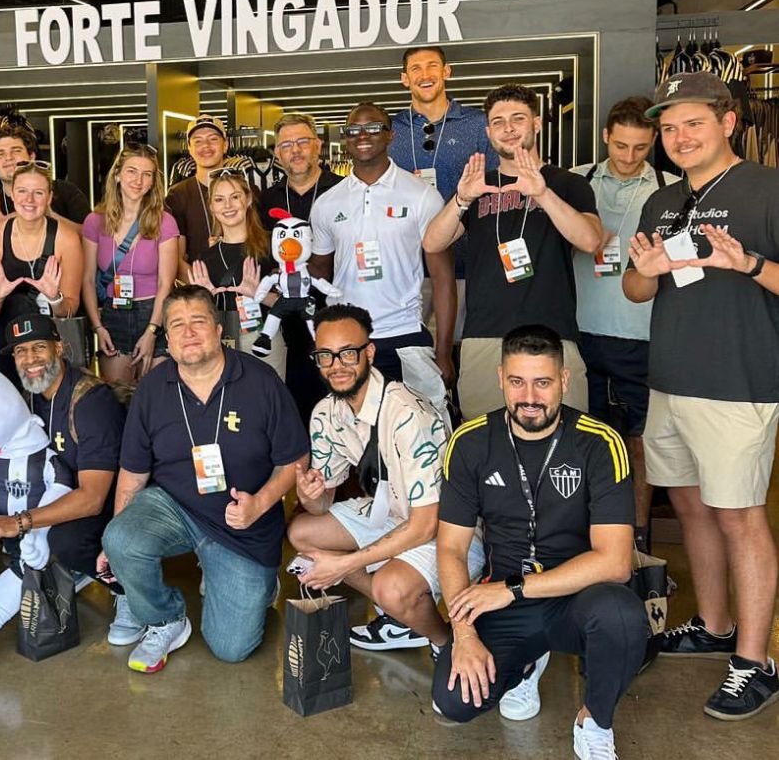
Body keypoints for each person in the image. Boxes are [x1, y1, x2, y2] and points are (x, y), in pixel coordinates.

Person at [624, 72, 779, 720]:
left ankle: (755, 660)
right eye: (669, 128)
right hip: (670, 382)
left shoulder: (767, 190)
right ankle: (713, 625)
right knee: (690, 509)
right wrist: (647, 271)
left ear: (728, 122)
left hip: (737, 387)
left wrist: (748, 265)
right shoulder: (662, 204)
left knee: (741, 516)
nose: (679, 137)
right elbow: (635, 290)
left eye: (693, 123)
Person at [433, 325, 646, 760]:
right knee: (454, 702)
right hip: (502, 603)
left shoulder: (600, 443)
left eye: (543, 382)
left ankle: (595, 721)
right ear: (500, 379)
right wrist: (463, 631)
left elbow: (615, 563)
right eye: (517, 381)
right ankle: (526, 664)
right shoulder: (470, 442)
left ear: (564, 382)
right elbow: (451, 548)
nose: (529, 396)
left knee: (622, 616)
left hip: (575, 597)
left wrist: (513, 588)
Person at [100, 285, 308, 672]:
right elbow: (133, 471)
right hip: (174, 506)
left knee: (231, 648)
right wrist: (117, 534)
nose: (188, 333)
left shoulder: (260, 382)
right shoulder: (152, 390)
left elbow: (295, 459)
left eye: (198, 322)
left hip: (242, 524)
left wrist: (260, 504)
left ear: (217, 328)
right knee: (120, 538)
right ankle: (166, 619)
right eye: (177, 325)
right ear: (167, 338)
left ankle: (258, 582)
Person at [287, 304, 484, 653]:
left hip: (447, 527)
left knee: (390, 589)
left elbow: (425, 525)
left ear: (370, 352)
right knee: (302, 533)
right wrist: (309, 494)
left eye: (348, 353)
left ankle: (442, 640)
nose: (337, 367)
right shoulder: (325, 412)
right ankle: (403, 618)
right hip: (391, 509)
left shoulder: (408, 414)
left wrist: (344, 565)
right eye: (326, 357)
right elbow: (320, 505)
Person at [423, 83, 602, 420]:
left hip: (552, 335)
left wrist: (543, 194)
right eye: (499, 121)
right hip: (484, 339)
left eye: (518, 118)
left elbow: (591, 241)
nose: (508, 128)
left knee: (562, 443)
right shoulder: (478, 185)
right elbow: (433, 242)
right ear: (489, 132)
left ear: (535, 123)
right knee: (484, 445)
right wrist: (462, 199)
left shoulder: (567, 183)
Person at [572, 97, 678, 552]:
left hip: (643, 336)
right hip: (580, 333)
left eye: (639, 147)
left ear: (653, 141)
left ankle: (636, 544)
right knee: (582, 445)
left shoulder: (674, 191)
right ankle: (583, 542)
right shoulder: (575, 182)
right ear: (605, 138)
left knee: (641, 444)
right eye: (620, 146)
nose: (629, 156)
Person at [5, 313, 140, 644]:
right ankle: (83, 566)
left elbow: (93, 498)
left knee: (66, 541)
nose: (30, 360)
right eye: (21, 351)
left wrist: (22, 521)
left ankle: (131, 593)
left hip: (118, 503)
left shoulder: (90, 400)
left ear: (59, 347)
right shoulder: (32, 395)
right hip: (66, 492)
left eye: (39, 347)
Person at [310, 102, 455, 395]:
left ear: (390, 136)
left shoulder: (422, 196)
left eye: (373, 128)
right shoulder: (327, 203)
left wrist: (444, 351)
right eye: (353, 130)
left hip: (406, 335)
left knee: (419, 430)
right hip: (349, 340)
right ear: (345, 139)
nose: (362, 135)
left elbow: (443, 278)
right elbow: (319, 273)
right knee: (355, 432)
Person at [388, 45, 497, 341]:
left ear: (446, 72)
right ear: (404, 79)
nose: (425, 75)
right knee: (409, 353)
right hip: (406, 271)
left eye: (432, 66)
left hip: (466, 268)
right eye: (416, 69)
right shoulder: (390, 130)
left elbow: (495, 188)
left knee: (461, 355)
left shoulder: (478, 125)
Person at [258, 113, 343, 414]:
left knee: (342, 405)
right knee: (298, 406)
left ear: (318, 145)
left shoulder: (345, 191)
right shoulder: (265, 200)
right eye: (287, 145)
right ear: (277, 153)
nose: (296, 150)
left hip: (338, 317)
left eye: (303, 142)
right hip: (290, 325)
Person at [0, 162, 83, 384]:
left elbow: (70, 311)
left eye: (38, 192)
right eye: (22, 191)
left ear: (50, 197)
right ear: (13, 194)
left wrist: (55, 298)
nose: (29, 200)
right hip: (9, 343)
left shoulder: (67, 239)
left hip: (51, 342)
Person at [81, 146, 177, 384]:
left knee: (157, 398)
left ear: (153, 182)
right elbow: (88, 279)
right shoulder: (95, 221)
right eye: (132, 171)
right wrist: (98, 327)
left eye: (147, 174)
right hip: (113, 315)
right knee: (118, 397)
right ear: (117, 174)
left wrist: (152, 331)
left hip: (154, 313)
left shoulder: (165, 222)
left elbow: (166, 283)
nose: (138, 180)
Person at [190, 168, 284, 373]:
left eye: (235, 197)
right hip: (222, 339)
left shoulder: (273, 246)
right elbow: (197, 315)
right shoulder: (205, 258)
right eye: (219, 199)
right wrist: (204, 298)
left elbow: (292, 305)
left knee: (268, 402)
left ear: (248, 199)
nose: (228, 206)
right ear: (211, 206)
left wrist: (258, 293)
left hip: (263, 338)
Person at [165, 115, 259, 281]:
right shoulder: (177, 195)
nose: (206, 146)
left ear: (226, 145)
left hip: (248, 288)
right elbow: (176, 260)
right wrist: (206, 290)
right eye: (198, 141)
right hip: (199, 292)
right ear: (189, 147)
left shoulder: (249, 190)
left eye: (213, 139)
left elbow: (260, 242)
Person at [0, 122, 90, 227]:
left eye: (16, 151)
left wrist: (51, 216)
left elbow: (90, 237)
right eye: (0, 154)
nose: (9, 158)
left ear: (32, 157)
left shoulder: (66, 192)